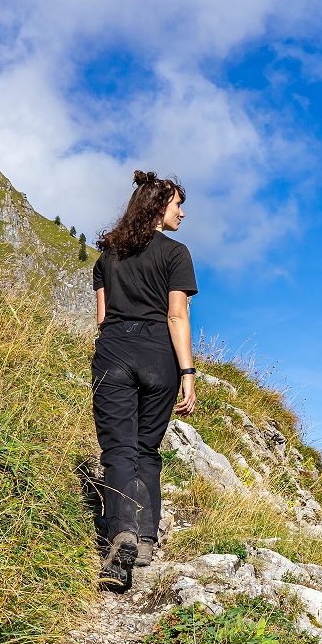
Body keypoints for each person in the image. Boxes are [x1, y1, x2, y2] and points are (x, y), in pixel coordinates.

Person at [91, 170, 198, 590]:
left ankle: (122, 533)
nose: (182, 213)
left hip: (114, 350)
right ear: (159, 209)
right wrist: (187, 372)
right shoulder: (176, 254)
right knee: (147, 448)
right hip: (159, 357)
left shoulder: (106, 258)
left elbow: (102, 319)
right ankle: (148, 537)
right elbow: (177, 315)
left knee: (118, 449)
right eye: (177, 205)